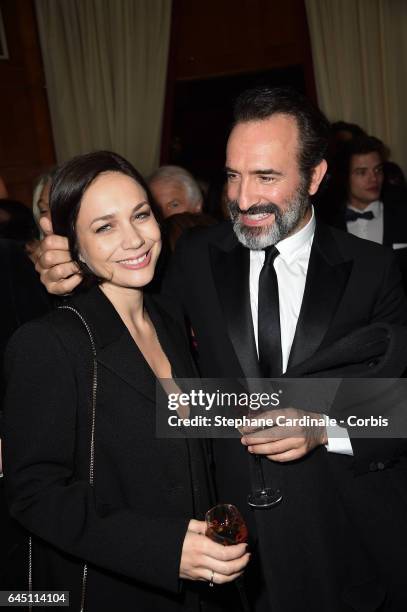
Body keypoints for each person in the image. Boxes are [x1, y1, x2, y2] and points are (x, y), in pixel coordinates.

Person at [34, 89, 407, 611]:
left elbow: (398, 405)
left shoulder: (374, 270)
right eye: (232, 176)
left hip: (342, 544)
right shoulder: (193, 257)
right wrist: (72, 273)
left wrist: (323, 426)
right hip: (230, 554)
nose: (242, 196)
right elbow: (134, 339)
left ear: (316, 177)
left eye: (266, 177)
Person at [3, 151, 249, 612]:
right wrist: (162, 548)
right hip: (107, 590)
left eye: (140, 215)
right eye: (104, 227)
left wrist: (337, 416)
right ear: (71, 245)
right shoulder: (50, 343)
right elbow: (34, 493)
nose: (134, 239)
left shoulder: (166, 320)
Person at [318, 135, 407, 293]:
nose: (374, 178)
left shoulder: (402, 213)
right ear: (345, 177)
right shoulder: (326, 224)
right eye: (361, 172)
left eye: (378, 170)